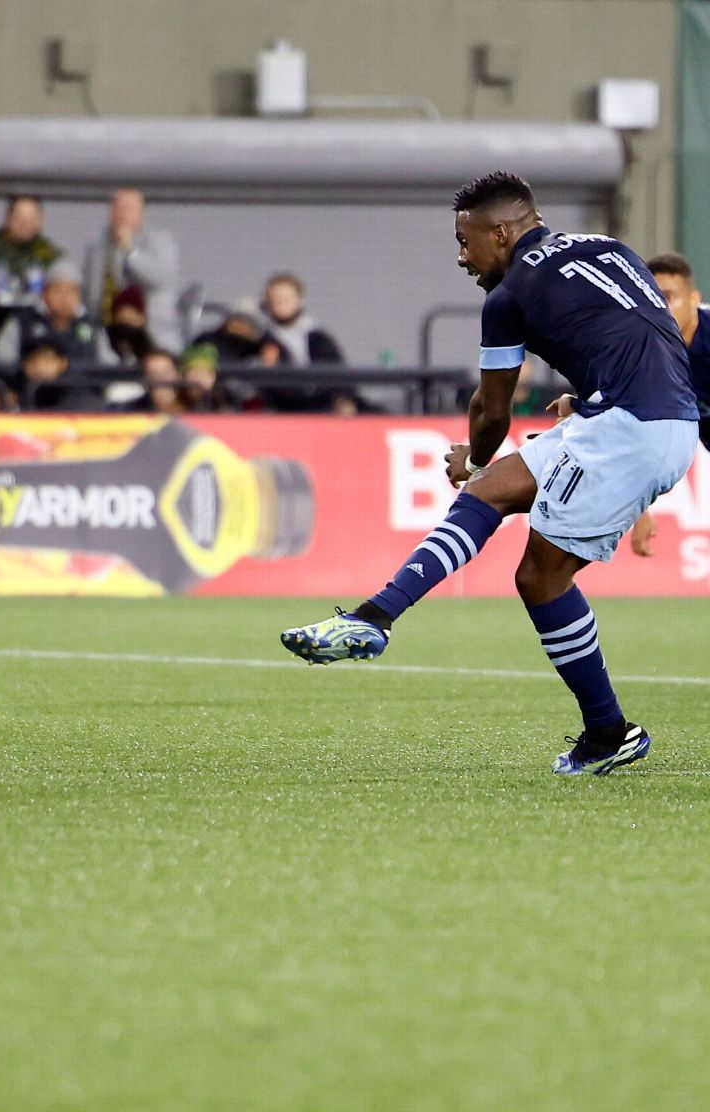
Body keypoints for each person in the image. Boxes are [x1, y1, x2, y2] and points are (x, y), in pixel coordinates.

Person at [280, 171, 699, 776]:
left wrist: (473, 454)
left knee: (538, 576)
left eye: (464, 240)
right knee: (492, 494)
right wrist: (587, 400)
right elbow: (645, 335)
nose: (461, 257)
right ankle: (372, 618)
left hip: (629, 429)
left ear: (500, 233)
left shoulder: (508, 298)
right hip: (647, 415)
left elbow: (492, 411)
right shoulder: (611, 248)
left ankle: (609, 731)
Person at [627, 253, 710, 556]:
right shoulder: (645, 356)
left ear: (695, 298)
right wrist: (640, 511)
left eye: (669, 297)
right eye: (652, 298)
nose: (661, 307)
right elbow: (634, 434)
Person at [83, 188, 181, 350]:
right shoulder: (97, 245)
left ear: (142, 213)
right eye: (119, 208)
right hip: (105, 332)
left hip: (154, 332)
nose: (123, 214)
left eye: (130, 209)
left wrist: (130, 252)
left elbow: (160, 279)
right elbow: (89, 289)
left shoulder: (161, 241)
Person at [260, 272, 356, 413]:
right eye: (276, 300)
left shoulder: (319, 338)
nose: (281, 305)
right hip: (283, 412)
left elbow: (340, 374)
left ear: (300, 300)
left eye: (287, 299)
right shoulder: (260, 340)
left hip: (324, 410)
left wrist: (345, 400)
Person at [0, 194, 64, 339]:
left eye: (31, 218)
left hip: (38, 324)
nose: (25, 223)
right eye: (20, 218)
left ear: (40, 221)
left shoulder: (50, 253)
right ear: (8, 219)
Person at [0, 259, 104, 364]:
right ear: (44, 293)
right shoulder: (22, 322)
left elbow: (109, 365)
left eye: (72, 291)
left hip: (82, 384)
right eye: (58, 290)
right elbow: (1, 364)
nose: (65, 298)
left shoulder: (90, 326)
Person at [18, 337, 102, 412]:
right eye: (32, 362)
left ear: (63, 363)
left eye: (47, 361)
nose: (39, 367)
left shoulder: (81, 398)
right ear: (23, 365)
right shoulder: (17, 396)